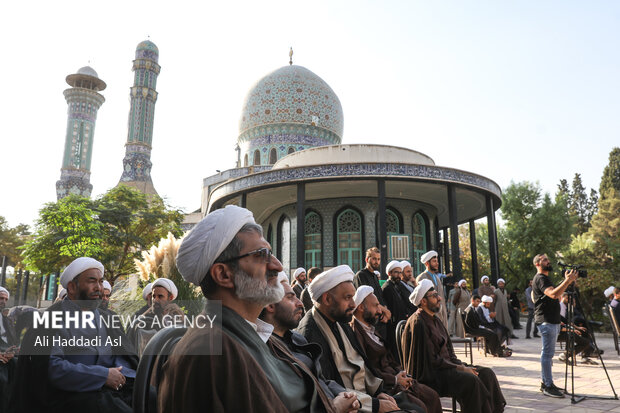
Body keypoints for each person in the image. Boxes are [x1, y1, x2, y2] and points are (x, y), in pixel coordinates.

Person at [159, 205, 334, 412]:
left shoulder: (255, 335)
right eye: (262, 255)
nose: (277, 266)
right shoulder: (208, 353)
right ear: (223, 275)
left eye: (271, 253)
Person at [10, 257, 138, 413]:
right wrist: (102, 375)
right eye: (92, 281)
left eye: (100, 282)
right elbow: (53, 368)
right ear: (71, 287)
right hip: (70, 395)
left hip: (111, 388)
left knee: (150, 396)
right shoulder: (50, 320)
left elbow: (123, 356)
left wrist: (120, 374)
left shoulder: (107, 318)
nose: (98, 287)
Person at [298, 265, 423, 413]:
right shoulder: (309, 333)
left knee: (417, 405)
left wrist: (378, 393)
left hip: (366, 396)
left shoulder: (340, 321)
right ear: (327, 298)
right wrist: (375, 405)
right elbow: (328, 387)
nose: (353, 304)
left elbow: (361, 365)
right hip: (350, 406)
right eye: (348, 297)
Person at [401, 279, 506, 413]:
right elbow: (431, 361)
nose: (439, 298)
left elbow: (450, 353)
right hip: (432, 375)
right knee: (471, 381)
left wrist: (463, 366)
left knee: (486, 373)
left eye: (437, 295)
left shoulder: (436, 320)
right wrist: (460, 368)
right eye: (434, 296)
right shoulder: (418, 323)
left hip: (447, 367)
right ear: (423, 301)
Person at [260, 275, 360, 413]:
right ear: (270, 305)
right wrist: (334, 409)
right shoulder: (262, 349)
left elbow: (320, 379)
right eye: (290, 297)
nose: (300, 303)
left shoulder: (297, 339)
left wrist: (346, 395)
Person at [351, 286, 442, 413]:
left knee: (432, 396)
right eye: (376, 306)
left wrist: (402, 374)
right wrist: (395, 380)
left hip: (397, 379)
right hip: (385, 387)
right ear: (361, 307)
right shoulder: (355, 333)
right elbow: (367, 371)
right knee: (419, 406)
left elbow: (390, 358)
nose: (379, 311)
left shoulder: (372, 330)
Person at [532, 253, 578, 398]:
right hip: (546, 321)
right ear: (537, 264)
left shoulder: (546, 278)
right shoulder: (540, 278)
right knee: (547, 354)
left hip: (552, 321)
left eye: (548, 259)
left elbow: (557, 295)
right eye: (544, 259)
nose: (548, 261)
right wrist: (567, 281)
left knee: (548, 354)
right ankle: (547, 385)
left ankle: (547, 382)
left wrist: (567, 282)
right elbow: (553, 294)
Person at [353, 247, 392, 342]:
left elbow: (380, 297)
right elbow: (366, 299)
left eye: (378, 259)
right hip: (370, 321)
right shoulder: (361, 275)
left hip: (381, 320)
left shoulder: (374, 276)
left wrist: (385, 313)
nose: (377, 262)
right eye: (374, 259)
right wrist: (386, 312)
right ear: (367, 259)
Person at [381, 260, 417, 356]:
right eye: (396, 272)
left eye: (400, 272)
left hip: (400, 324)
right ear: (389, 273)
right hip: (393, 326)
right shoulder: (387, 287)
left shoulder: (397, 286)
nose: (399, 275)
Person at [557, 292, 597, 365]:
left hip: (566, 330)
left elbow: (566, 321)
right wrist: (573, 329)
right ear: (561, 297)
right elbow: (559, 326)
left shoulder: (565, 307)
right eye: (567, 298)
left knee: (584, 331)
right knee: (585, 342)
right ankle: (565, 355)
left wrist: (577, 327)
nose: (569, 300)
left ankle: (586, 355)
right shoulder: (560, 307)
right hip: (559, 333)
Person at [416, 250, 448, 327]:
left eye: (437, 261)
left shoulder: (437, 277)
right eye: (434, 261)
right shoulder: (421, 277)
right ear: (427, 263)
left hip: (441, 313)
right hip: (430, 316)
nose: (437, 263)